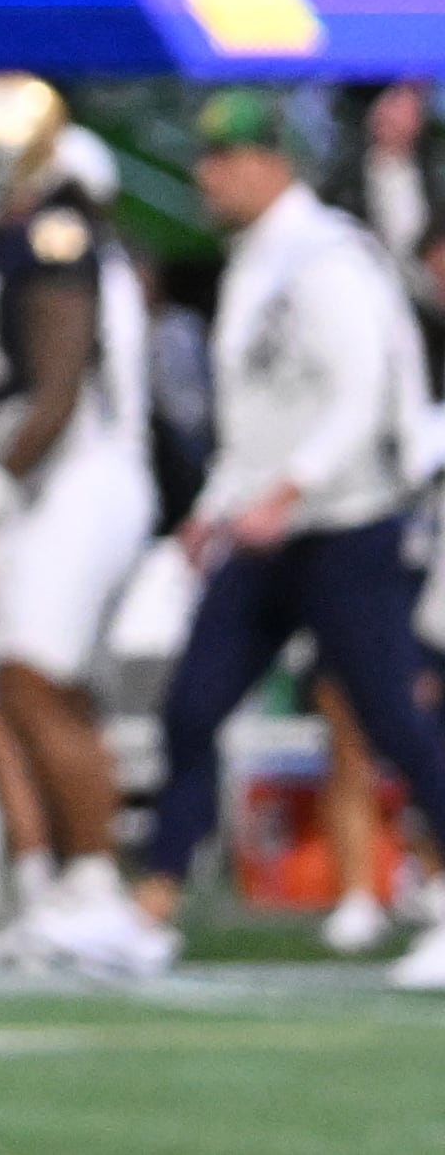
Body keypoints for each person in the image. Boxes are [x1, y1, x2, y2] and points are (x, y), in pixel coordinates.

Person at [109, 92, 445, 979]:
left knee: (393, 723)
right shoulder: (256, 261)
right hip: (272, 532)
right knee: (192, 706)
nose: (206, 177)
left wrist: (285, 491)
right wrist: (214, 509)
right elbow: (257, 420)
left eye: (223, 160)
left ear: (270, 163)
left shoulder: (327, 257)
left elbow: (362, 395)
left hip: (350, 524)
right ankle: (155, 903)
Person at [0, 74, 161, 977]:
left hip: (85, 476)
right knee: (7, 682)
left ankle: (97, 889)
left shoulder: (52, 238)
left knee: (34, 676)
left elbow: (56, 391)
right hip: (33, 482)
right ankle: (66, 884)